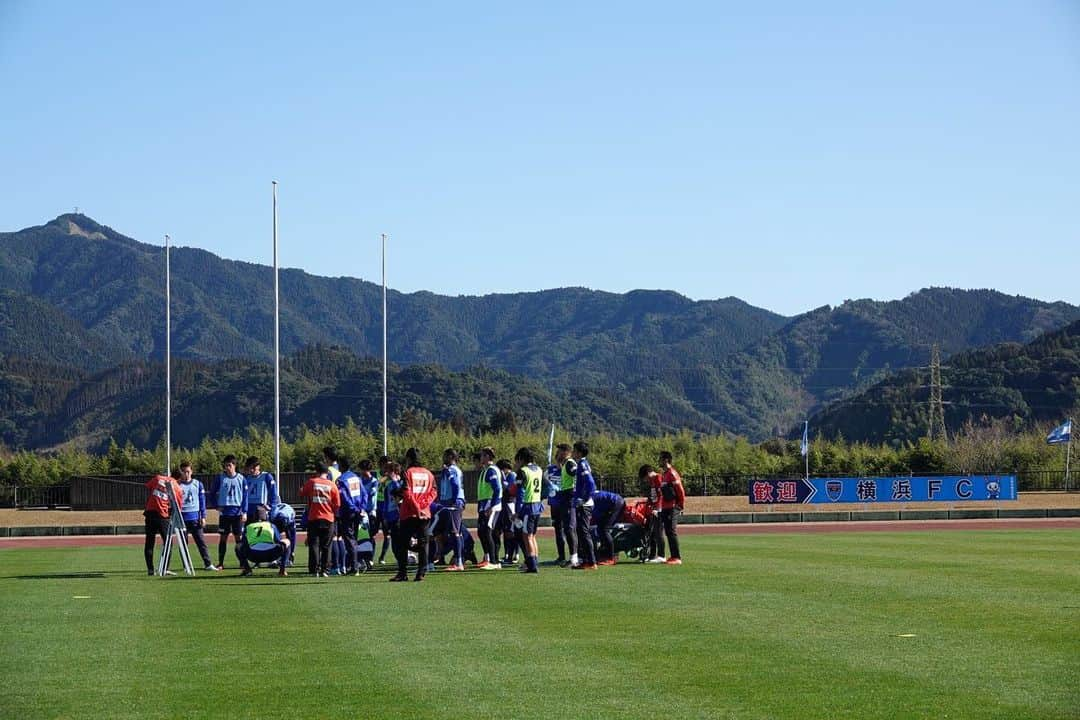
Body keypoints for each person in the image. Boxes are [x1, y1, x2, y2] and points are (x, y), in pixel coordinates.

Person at [390, 448, 437, 582]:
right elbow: (434, 492)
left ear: (409, 459)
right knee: (423, 543)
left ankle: (402, 573)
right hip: (424, 513)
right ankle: (421, 572)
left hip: (409, 512)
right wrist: (423, 505)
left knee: (402, 543)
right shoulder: (429, 474)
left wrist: (416, 507)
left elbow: (407, 492)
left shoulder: (408, 472)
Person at [176, 461, 218, 571]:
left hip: (195, 518)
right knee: (183, 544)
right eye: (184, 472)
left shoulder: (198, 484)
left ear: (191, 471)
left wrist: (203, 516)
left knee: (201, 542)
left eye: (188, 472)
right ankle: (186, 565)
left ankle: (208, 564)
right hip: (182, 518)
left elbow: (202, 501)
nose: (186, 474)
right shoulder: (177, 485)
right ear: (181, 472)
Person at [300, 463, 340, 577]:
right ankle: (325, 570)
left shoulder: (312, 482)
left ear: (316, 472)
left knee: (314, 544)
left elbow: (301, 492)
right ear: (327, 473)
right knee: (327, 545)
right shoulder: (332, 485)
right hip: (328, 518)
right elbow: (337, 504)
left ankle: (314, 570)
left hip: (314, 517)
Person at [209, 455, 247, 569]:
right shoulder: (220, 478)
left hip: (237, 513)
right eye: (225, 466)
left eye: (229, 465)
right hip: (224, 513)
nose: (227, 468)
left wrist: (244, 512)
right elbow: (211, 493)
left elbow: (245, 497)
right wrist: (216, 506)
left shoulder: (241, 478)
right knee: (223, 538)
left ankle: (242, 562)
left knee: (238, 538)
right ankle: (220, 563)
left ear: (234, 465)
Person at [143, 472, 184, 576]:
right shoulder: (177, 486)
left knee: (149, 542)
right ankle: (164, 568)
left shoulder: (157, 478)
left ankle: (150, 570)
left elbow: (148, 487)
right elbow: (178, 507)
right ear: (179, 479)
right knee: (168, 543)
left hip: (149, 513)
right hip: (162, 515)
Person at [433, 449, 466, 572]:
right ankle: (457, 559)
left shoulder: (452, 470)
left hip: (453, 504)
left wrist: (453, 500)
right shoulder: (448, 470)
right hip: (448, 503)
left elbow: (455, 485)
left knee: (455, 532)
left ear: (451, 457)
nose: (443, 458)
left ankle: (459, 562)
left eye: (445, 456)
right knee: (454, 532)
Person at [513, 447, 544, 574]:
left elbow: (520, 493)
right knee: (533, 536)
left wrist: (517, 512)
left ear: (521, 458)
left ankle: (532, 565)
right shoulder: (539, 469)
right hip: (537, 506)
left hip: (528, 506)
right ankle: (534, 562)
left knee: (527, 536)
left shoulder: (523, 471)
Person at [237, 508, 291, 577]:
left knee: (238, 546)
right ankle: (282, 570)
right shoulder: (271, 525)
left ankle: (247, 569)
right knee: (286, 541)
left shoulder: (248, 527)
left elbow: (244, 542)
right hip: (271, 554)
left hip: (253, 556)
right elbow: (278, 540)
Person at [335, 455, 365, 575]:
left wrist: (353, 508)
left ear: (341, 466)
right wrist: (361, 508)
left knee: (349, 540)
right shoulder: (356, 478)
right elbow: (364, 494)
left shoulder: (341, 479)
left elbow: (344, 497)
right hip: (357, 511)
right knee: (354, 539)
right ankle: (354, 565)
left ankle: (354, 567)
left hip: (348, 512)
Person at [571, 441, 597, 570]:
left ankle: (591, 561)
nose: (572, 452)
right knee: (581, 532)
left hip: (585, 505)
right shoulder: (582, 464)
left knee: (584, 532)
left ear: (579, 452)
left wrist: (584, 498)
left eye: (574, 450)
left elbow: (591, 483)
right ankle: (586, 560)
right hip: (583, 503)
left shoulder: (582, 464)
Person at [474, 448, 502, 570]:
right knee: (482, 532)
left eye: (482, 456)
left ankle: (494, 562)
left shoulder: (491, 471)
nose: (480, 458)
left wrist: (492, 506)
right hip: (484, 505)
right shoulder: (486, 470)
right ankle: (488, 558)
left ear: (487, 457)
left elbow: (497, 489)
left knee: (487, 531)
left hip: (490, 506)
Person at [551, 443, 578, 567]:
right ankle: (568, 557)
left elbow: (578, 476)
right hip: (564, 497)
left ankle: (574, 558)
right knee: (565, 528)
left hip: (569, 497)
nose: (559, 454)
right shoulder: (564, 465)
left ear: (567, 452)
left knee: (569, 528)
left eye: (561, 451)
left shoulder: (570, 463)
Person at [657, 451, 685, 565]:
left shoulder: (672, 473)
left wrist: (680, 504)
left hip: (673, 506)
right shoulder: (665, 474)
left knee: (671, 531)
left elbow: (680, 489)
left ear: (666, 460)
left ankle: (677, 557)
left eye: (660, 458)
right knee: (668, 531)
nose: (659, 461)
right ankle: (673, 556)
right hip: (665, 506)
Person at [591, 489, 626, 565]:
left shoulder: (589, 499)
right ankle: (605, 554)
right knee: (601, 528)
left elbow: (595, 514)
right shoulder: (589, 494)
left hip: (616, 503)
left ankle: (611, 557)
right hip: (615, 502)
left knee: (604, 529)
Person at [639, 464, 666, 563]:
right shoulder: (652, 481)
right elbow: (652, 496)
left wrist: (658, 508)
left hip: (659, 510)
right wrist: (649, 506)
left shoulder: (658, 478)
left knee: (658, 532)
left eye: (645, 478)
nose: (646, 480)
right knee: (652, 533)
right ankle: (651, 555)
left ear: (648, 473)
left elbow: (661, 495)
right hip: (653, 509)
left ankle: (661, 555)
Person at [377, 460, 401, 565]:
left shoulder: (401, 484)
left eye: (389, 471)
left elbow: (401, 500)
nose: (387, 473)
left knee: (400, 540)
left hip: (399, 516)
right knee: (394, 541)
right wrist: (385, 517)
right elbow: (387, 503)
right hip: (390, 517)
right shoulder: (388, 486)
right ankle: (399, 559)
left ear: (395, 472)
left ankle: (403, 560)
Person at [494, 459, 518, 566]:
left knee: (510, 531)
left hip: (510, 504)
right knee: (502, 530)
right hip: (503, 504)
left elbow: (510, 490)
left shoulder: (512, 475)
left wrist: (504, 482)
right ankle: (506, 554)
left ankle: (513, 554)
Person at [243, 456, 279, 524]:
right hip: (249, 509)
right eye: (250, 468)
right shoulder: (246, 478)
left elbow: (273, 494)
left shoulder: (266, 476)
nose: (251, 470)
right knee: (248, 532)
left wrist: (271, 507)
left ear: (258, 467)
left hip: (261, 509)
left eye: (253, 468)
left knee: (261, 532)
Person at [269, 502, 297, 566]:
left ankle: (288, 558)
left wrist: (292, 552)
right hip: (278, 514)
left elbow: (293, 537)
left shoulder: (290, 518)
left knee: (289, 538)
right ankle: (273, 559)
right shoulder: (272, 517)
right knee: (273, 537)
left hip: (287, 513)